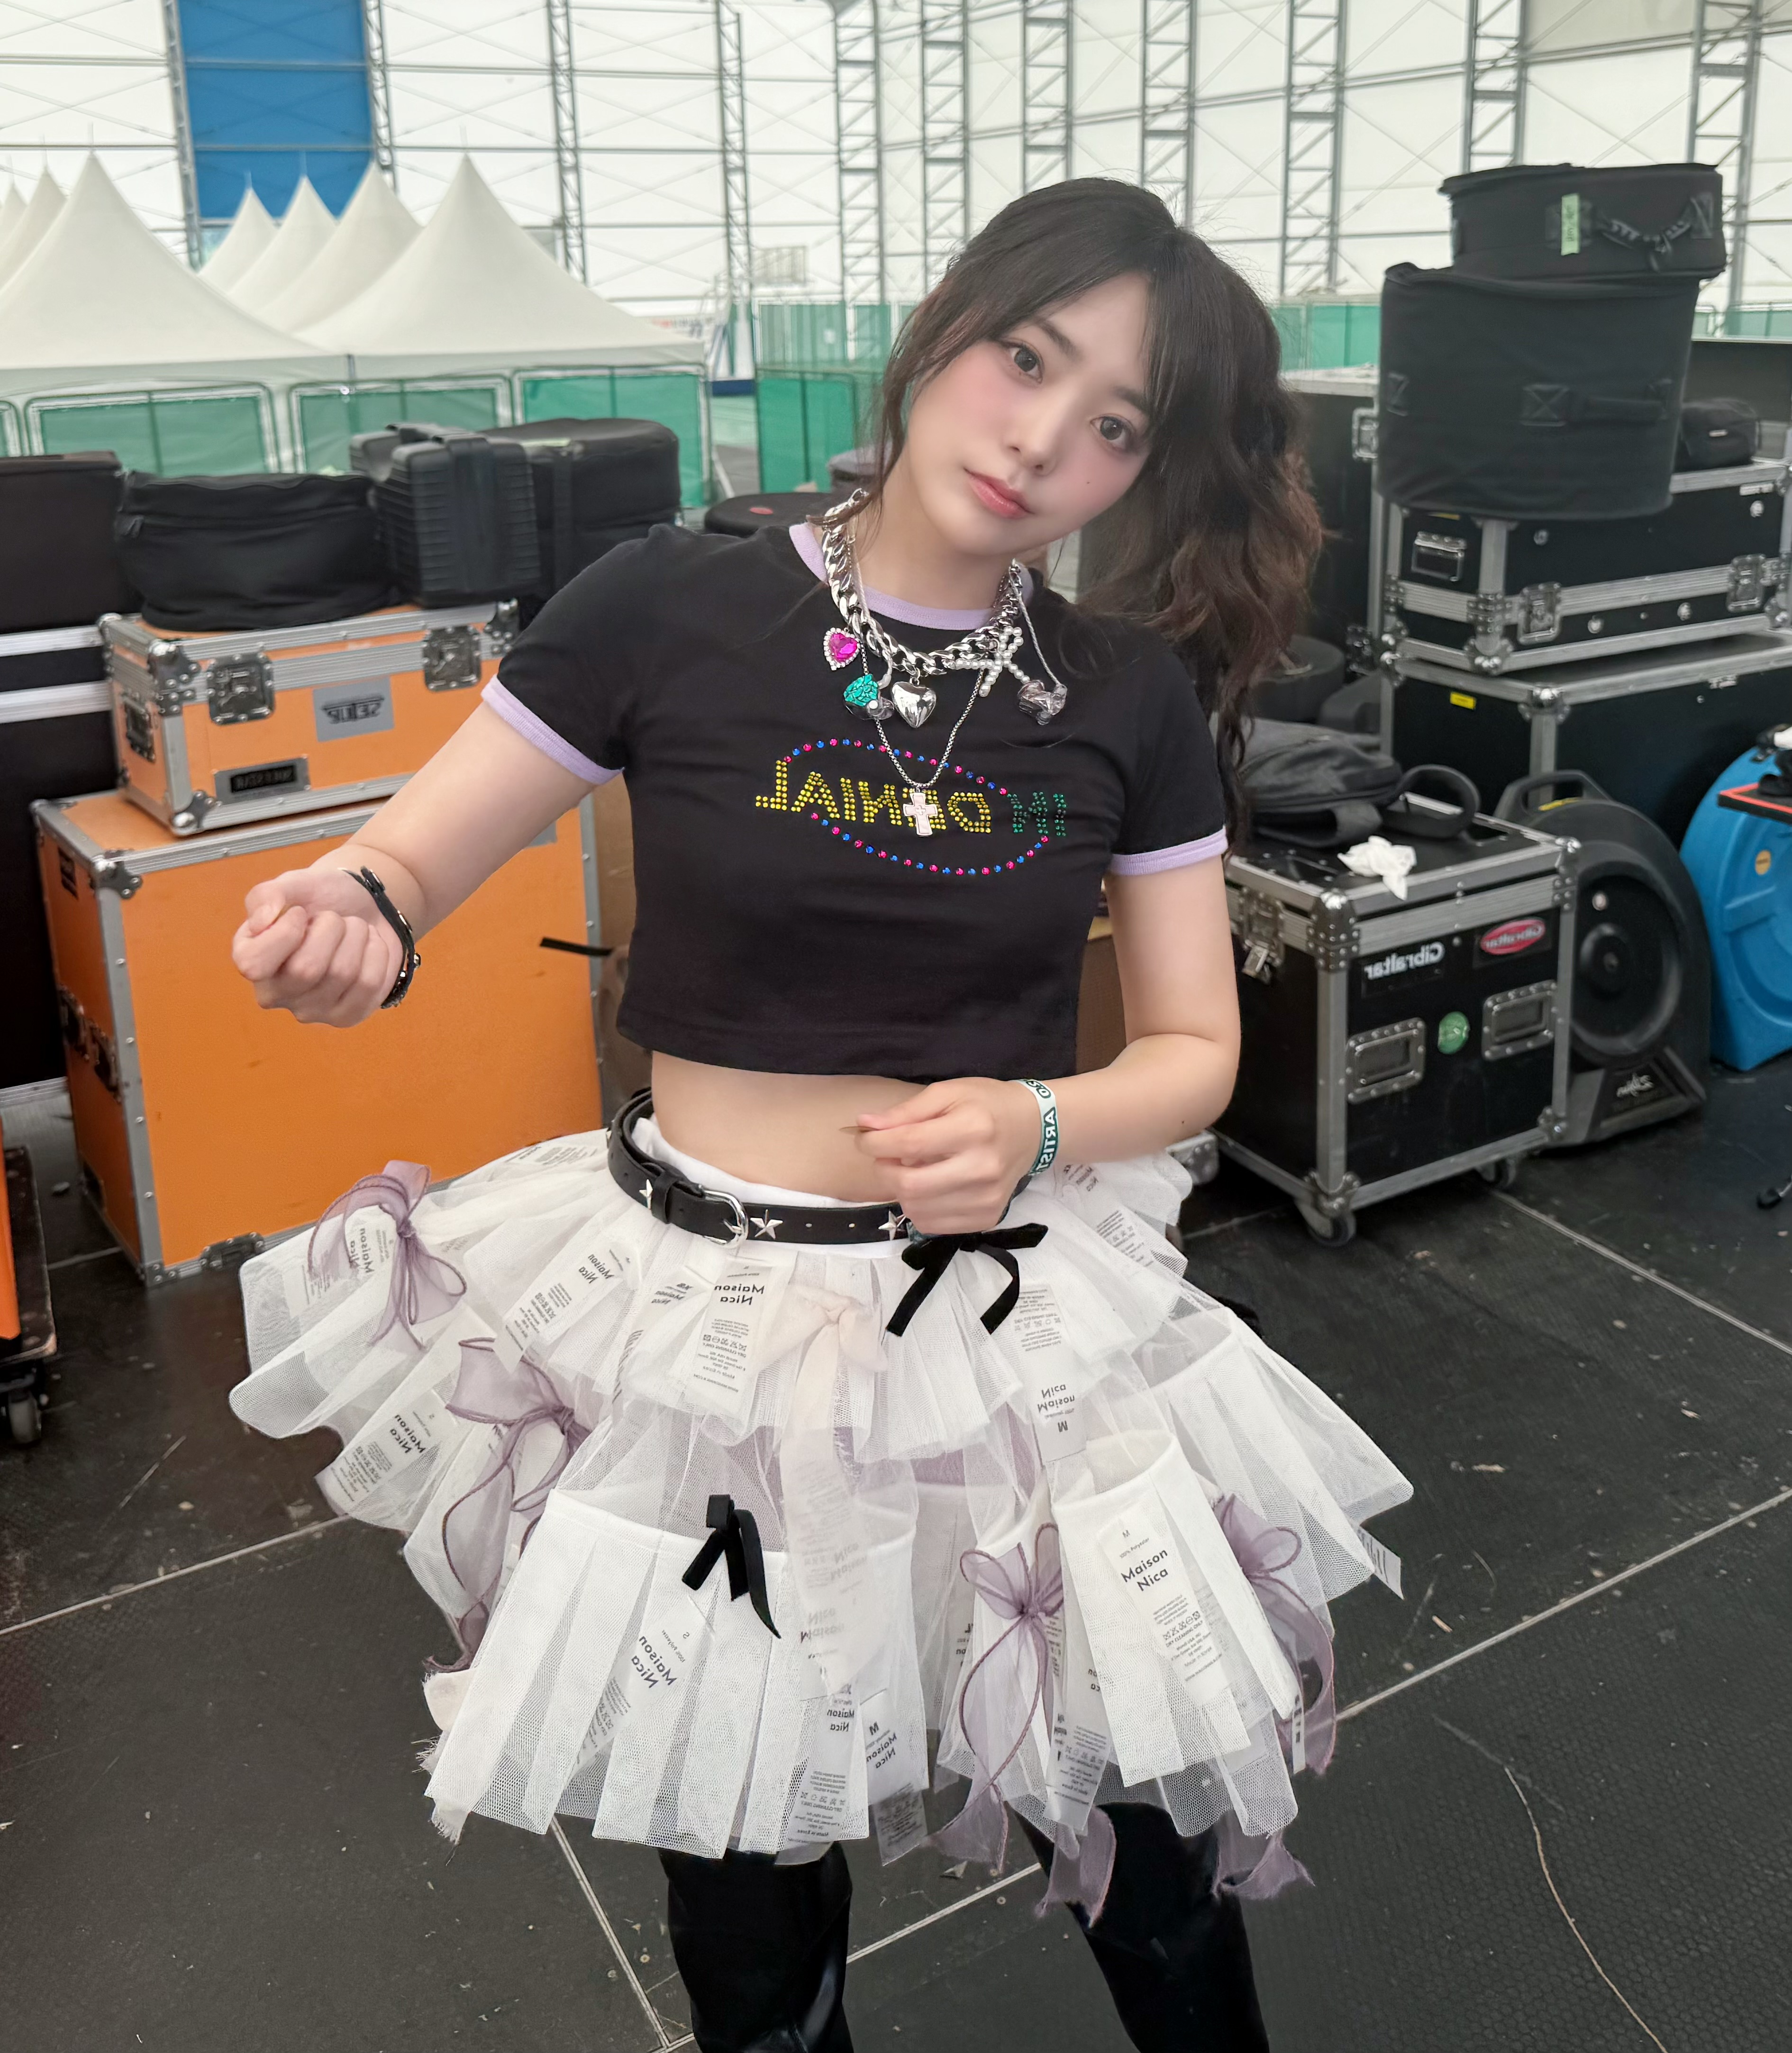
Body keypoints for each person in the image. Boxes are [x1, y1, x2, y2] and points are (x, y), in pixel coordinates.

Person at [227, 180, 1410, 2053]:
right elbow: (415, 851)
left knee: (1141, 1831)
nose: (1042, 436)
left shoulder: (1122, 698)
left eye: (1114, 422)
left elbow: (1194, 1047)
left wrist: (1040, 1119)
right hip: (697, 1339)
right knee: (749, 1890)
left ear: (1145, 465)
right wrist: (351, 908)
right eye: (1026, 358)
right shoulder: (669, 601)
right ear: (943, 332)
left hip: (998, 1319)